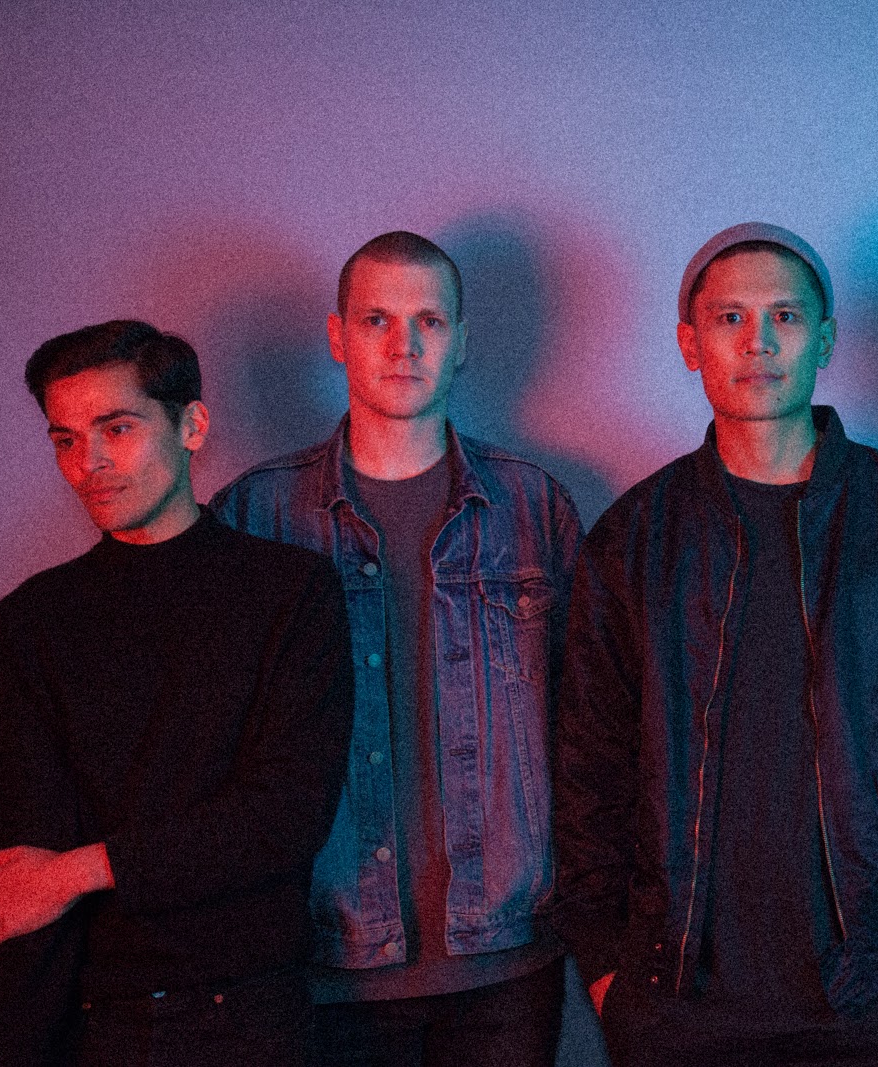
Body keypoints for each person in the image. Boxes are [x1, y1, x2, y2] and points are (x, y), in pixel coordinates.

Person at [553, 222, 878, 1066]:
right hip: (678, 1003)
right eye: (731, 317)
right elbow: (589, 768)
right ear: (690, 343)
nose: (758, 341)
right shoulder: (633, 538)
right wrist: (609, 967)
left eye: (785, 317)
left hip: (877, 997)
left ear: (824, 340)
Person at [213, 232, 581, 1067]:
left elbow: (593, 727)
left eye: (429, 321)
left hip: (506, 959)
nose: (403, 345)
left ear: (462, 340)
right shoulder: (257, 514)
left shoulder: (534, 507)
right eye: (376, 319)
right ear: (337, 336)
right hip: (323, 958)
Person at [0, 320, 353, 1067]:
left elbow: (284, 817)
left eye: (117, 429)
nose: (88, 463)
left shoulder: (289, 593)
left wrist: (78, 871)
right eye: (65, 439)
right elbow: (22, 862)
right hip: (94, 1021)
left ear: (192, 426)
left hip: (252, 1014)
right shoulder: (30, 622)